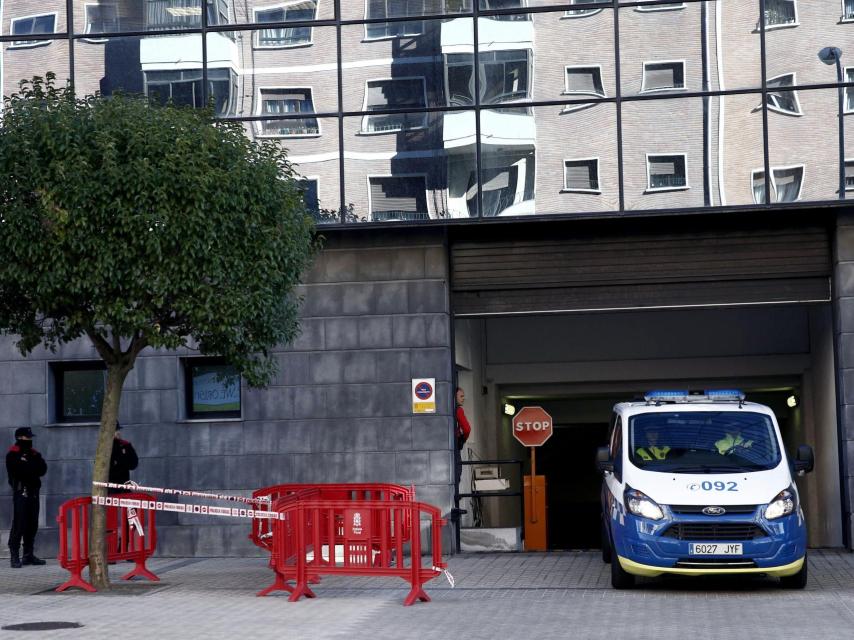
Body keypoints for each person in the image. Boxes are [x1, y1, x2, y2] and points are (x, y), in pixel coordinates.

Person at [6, 427, 47, 568]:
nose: (30, 440)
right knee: (19, 524)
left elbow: (42, 469)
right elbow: (19, 472)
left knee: (32, 524)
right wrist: (31, 467)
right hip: (21, 492)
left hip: (34, 492)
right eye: (27, 437)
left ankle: (28, 555)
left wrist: (29, 466)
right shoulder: (13, 454)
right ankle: (14, 556)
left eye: (30, 437)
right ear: (20, 438)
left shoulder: (34, 453)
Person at [108, 422, 138, 494]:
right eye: (115, 431)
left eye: (118, 430)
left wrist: (121, 460)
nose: (118, 432)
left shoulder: (125, 445)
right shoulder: (105, 448)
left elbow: (133, 464)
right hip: (110, 488)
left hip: (124, 486)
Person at [454, 387, 472, 488]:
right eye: (461, 396)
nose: (463, 398)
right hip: (456, 446)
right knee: (457, 473)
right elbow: (467, 429)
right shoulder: (458, 410)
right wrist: (462, 439)